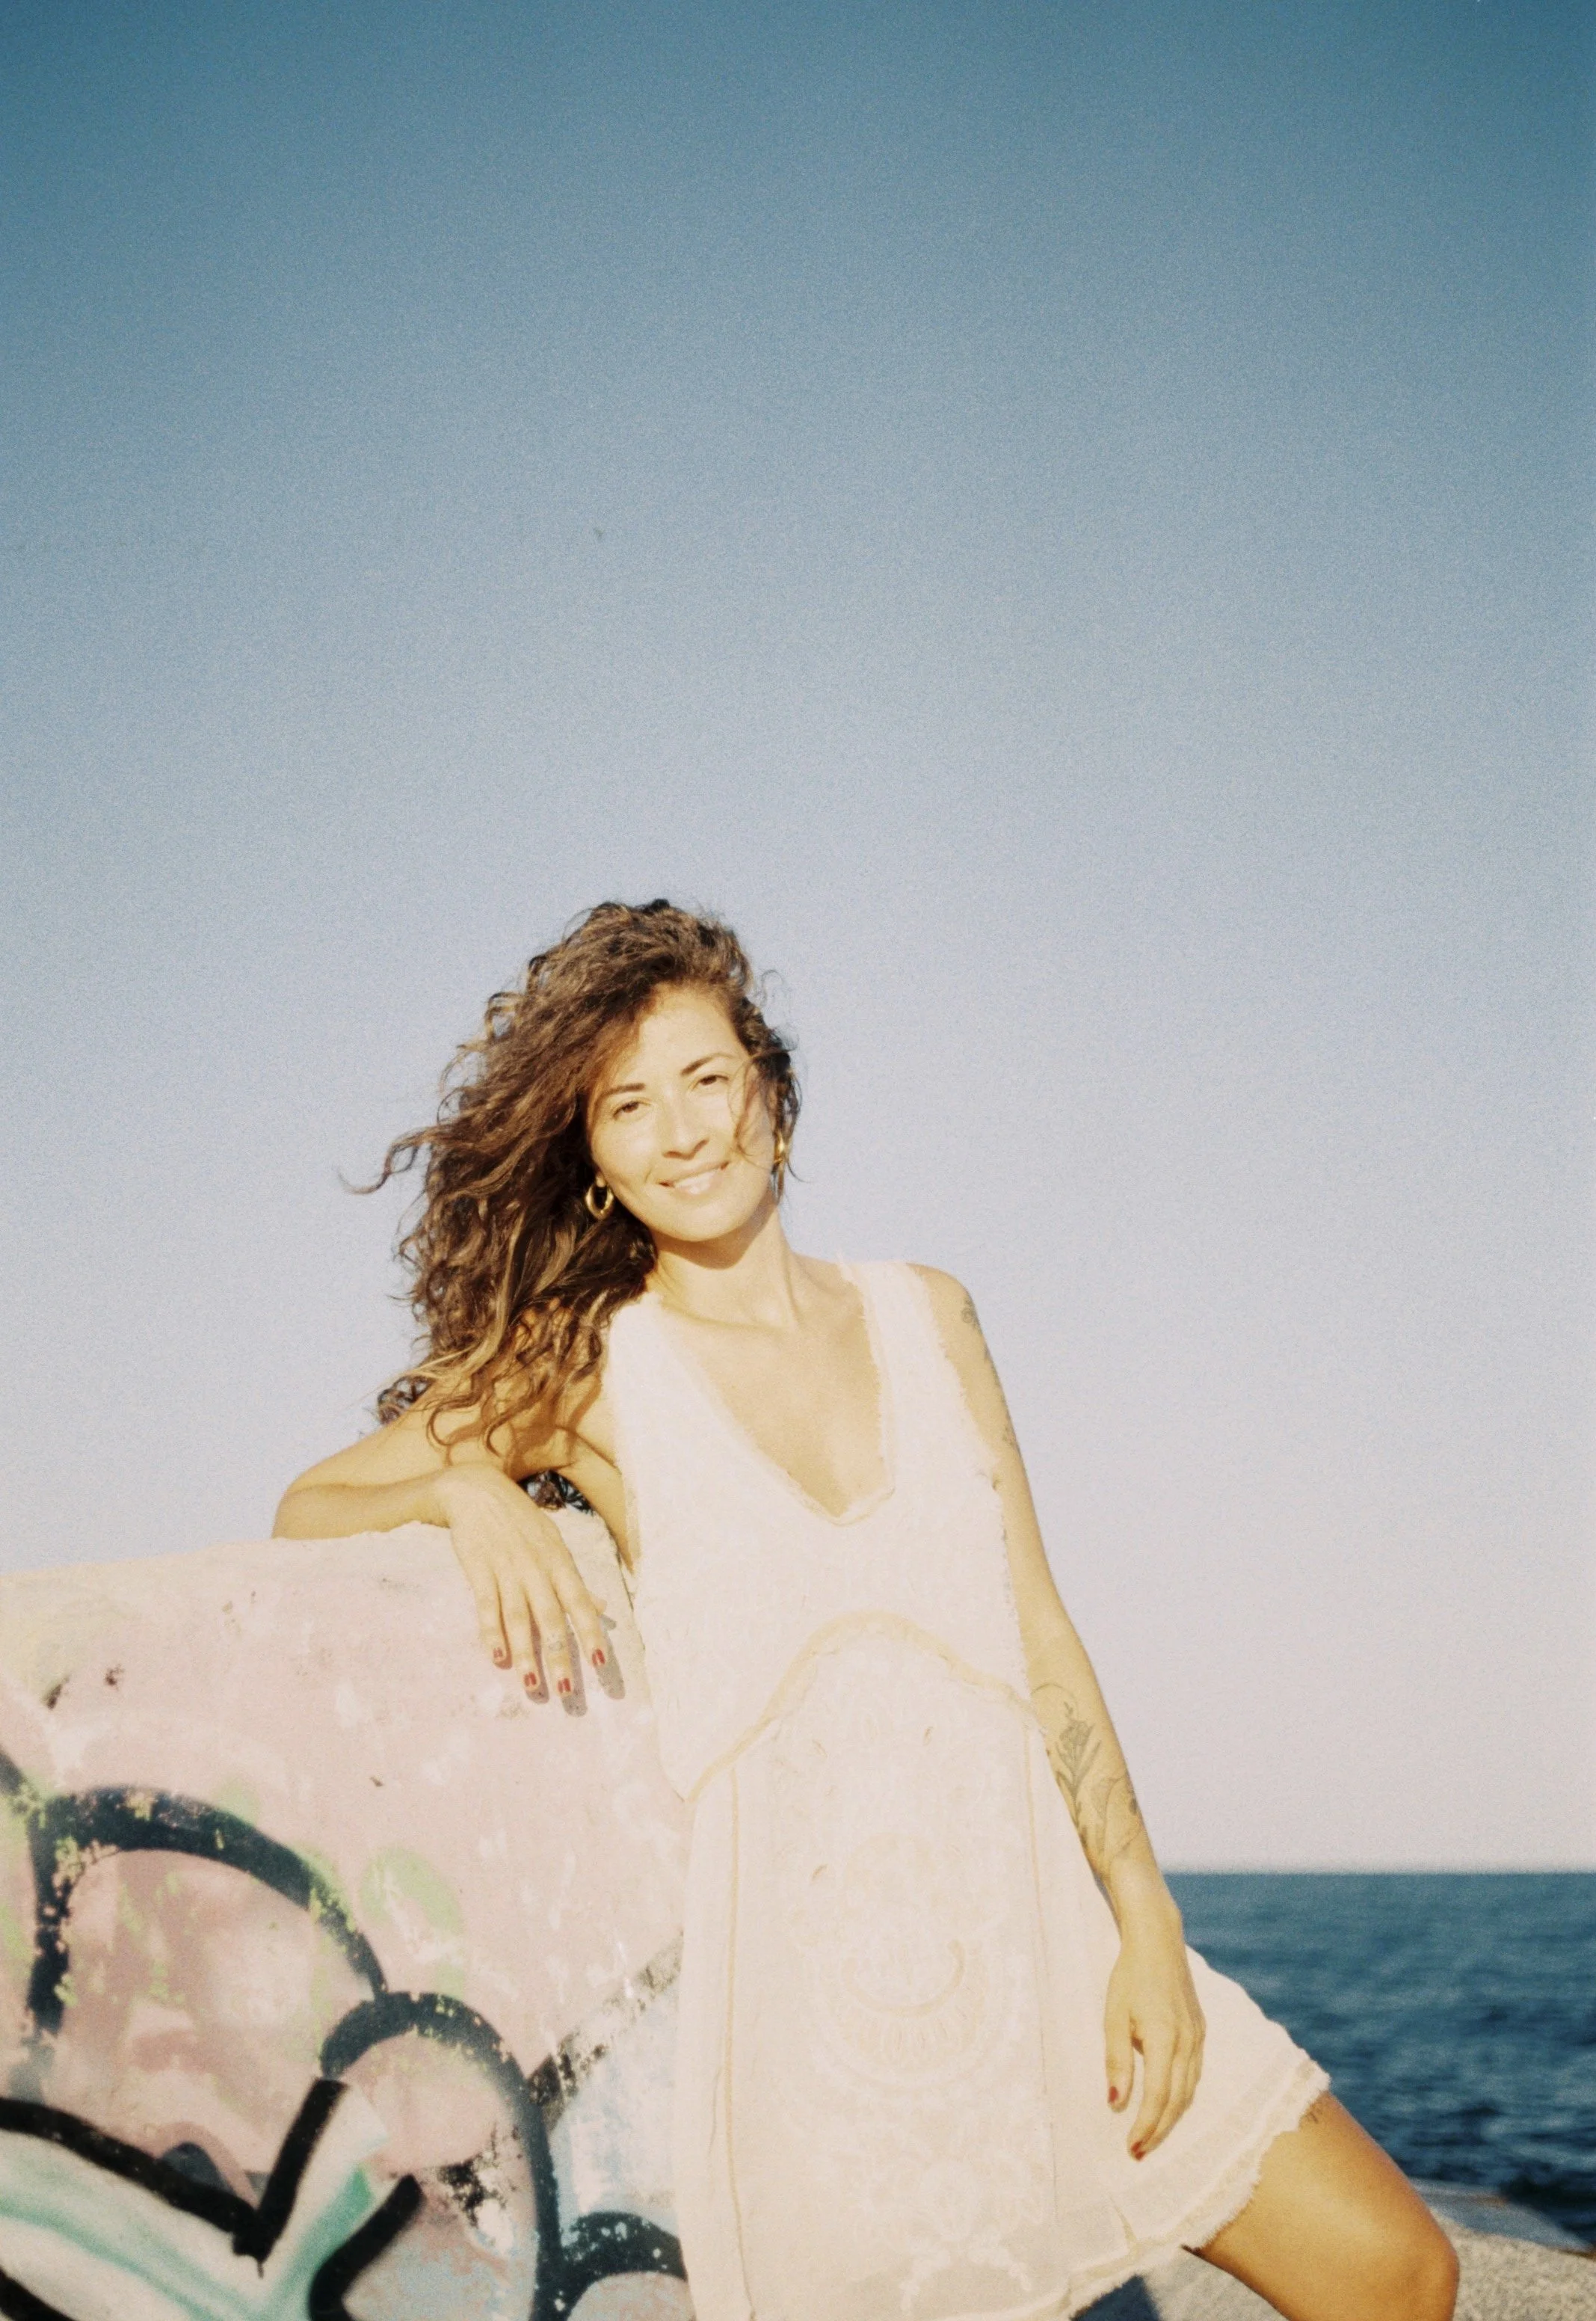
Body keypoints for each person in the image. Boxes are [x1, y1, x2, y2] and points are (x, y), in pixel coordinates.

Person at [276, 900, 1458, 2321]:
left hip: (1045, 1948)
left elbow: (1039, 1630)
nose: (683, 1132)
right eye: (628, 1108)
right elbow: (313, 1506)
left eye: (707, 1081)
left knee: (1397, 2270)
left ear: (771, 1093)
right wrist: (468, 1491)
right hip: (812, 2033)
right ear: (594, 1162)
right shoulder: (591, 1368)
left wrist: (1142, 1918)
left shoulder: (928, 1314)